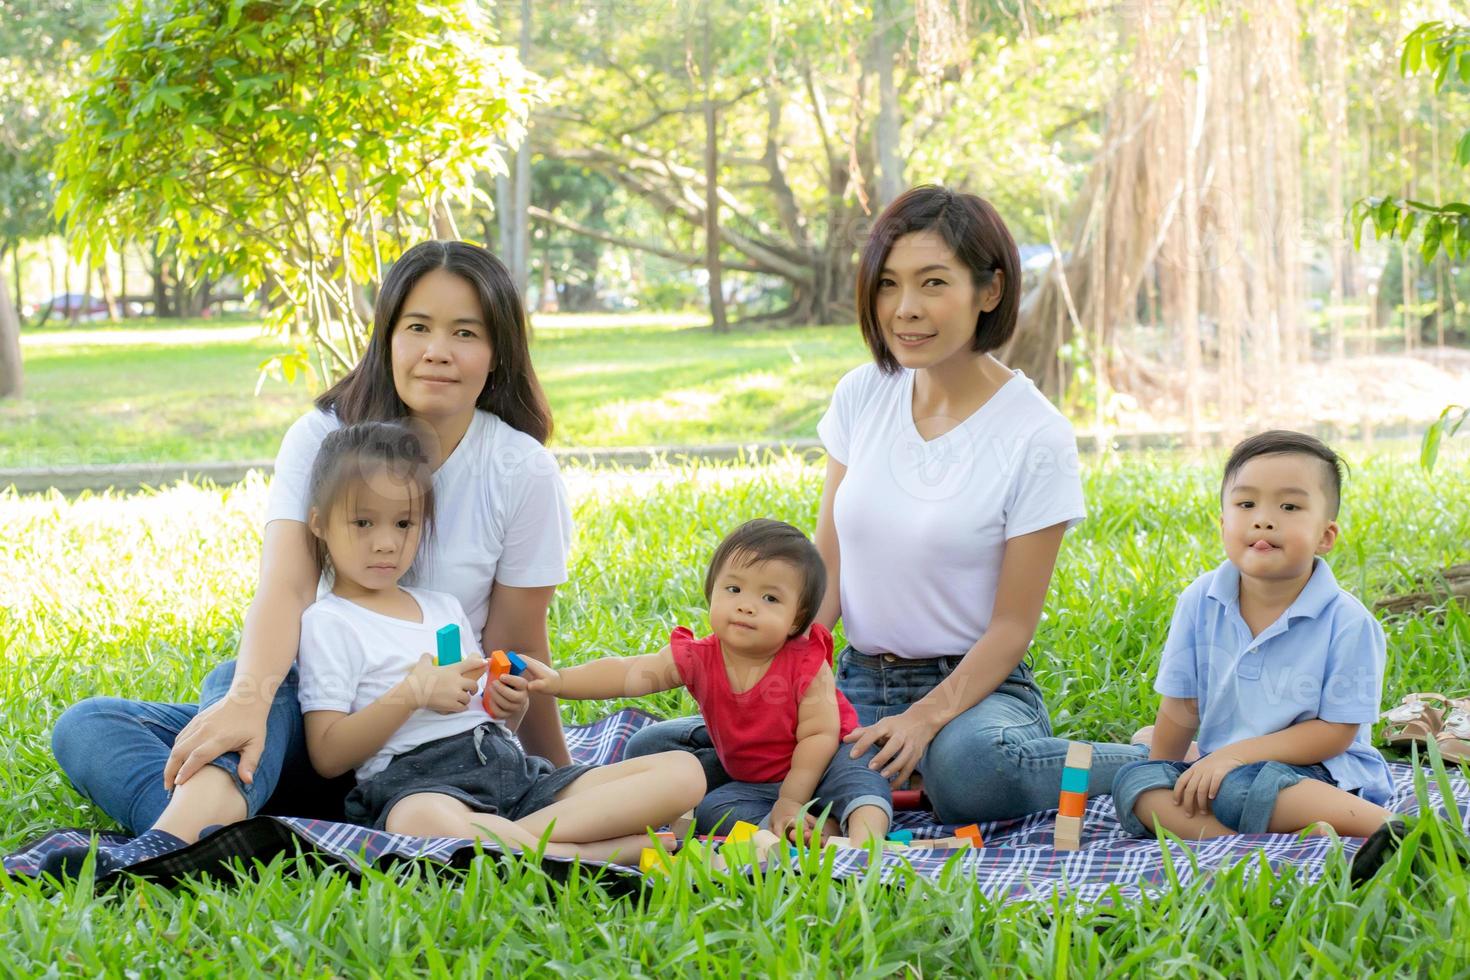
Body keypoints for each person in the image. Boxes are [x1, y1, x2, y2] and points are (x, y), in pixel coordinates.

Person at [47, 241, 579, 874]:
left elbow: (516, 642)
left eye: (465, 332)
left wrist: (556, 777)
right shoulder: (323, 436)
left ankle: (189, 836)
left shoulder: (520, 469)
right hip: (318, 718)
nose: (438, 349)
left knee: (235, 696)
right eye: (417, 327)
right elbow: (287, 588)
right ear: (386, 338)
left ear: (498, 355)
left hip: (422, 747)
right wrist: (247, 699)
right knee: (96, 722)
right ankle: (236, 819)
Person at [626, 184, 1146, 827]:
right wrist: (779, 681)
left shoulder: (1036, 435)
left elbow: (1012, 628)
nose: (905, 309)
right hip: (852, 682)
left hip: (974, 695)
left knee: (969, 774)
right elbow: (829, 567)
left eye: (933, 283)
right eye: (889, 285)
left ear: (990, 291)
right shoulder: (863, 394)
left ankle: (1149, 760)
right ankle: (893, 778)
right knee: (658, 751)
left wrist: (926, 718)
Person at [293, 421, 700, 861]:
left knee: (684, 772)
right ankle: (593, 854)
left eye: (404, 523)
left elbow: (484, 715)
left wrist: (508, 705)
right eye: (363, 522)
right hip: (420, 784)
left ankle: (521, 842)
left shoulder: (442, 607)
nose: (386, 542)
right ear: (319, 522)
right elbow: (328, 754)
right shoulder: (330, 622)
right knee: (415, 821)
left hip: (508, 768)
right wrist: (412, 693)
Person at [526, 520, 892, 846]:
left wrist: (792, 800)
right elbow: (628, 672)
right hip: (755, 778)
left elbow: (818, 737)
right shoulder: (699, 657)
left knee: (860, 768)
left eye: (769, 598)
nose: (747, 606)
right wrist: (559, 681)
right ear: (712, 592)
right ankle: (797, 831)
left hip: (825, 757)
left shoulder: (805, 663)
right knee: (713, 808)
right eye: (734, 589)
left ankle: (863, 840)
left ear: (796, 620)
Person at [1111, 431, 1394, 839]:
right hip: (1223, 769)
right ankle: (1260, 838)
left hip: (1321, 774)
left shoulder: (1347, 621)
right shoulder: (1199, 600)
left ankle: (1392, 830)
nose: (1264, 518)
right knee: (1135, 783)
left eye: (1289, 506)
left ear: (1325, 536)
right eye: (1247, 504)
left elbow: (1336, 732)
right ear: (1225, 524)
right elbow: (1181, 706)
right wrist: (1165, 770)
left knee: (1237, 789)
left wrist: (1233, 757)